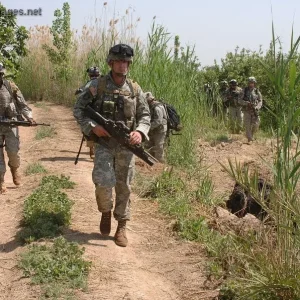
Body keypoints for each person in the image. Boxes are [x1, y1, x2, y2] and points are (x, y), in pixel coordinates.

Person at [73, 44, 150, 247]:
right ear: (111, 63)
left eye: (126, 62)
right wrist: (93, 127)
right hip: (105, 144)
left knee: (124, 186)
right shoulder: (97, 85)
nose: (123, 65)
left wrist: (140, 132)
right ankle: (106, 212)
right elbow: (79, 109)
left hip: (126, 146)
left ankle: (121, 225)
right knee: (103, 183)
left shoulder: (135, 89)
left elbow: (145, 115)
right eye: (119, 61)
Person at [0, 63, 35, 193]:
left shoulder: (10, 86)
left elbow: (22, 104)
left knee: (13, 152)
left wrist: (29, 117)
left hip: (11, 124)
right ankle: (1, 181)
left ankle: (14, 169)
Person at [75, 66, 101, 159]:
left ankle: (92, 150)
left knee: (88, 131)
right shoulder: (103, 83)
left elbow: (79, 95)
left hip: (90, 111)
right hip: (100, 111)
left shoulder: (88, 84)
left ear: (89, 75)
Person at [238, 77, 262, 144]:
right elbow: (239, 100)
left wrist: (257, 107)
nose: (251, 84)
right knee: (247, 124)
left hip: (255, 110)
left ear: (254, 83)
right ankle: (250, 139)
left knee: (257, 123)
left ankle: (251, 135)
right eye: (250, 82)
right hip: (246, 110)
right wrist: (246, 103)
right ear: (248, 83)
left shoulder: (257, 91)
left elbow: (260, 101)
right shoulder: (244, 90)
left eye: (252, 82)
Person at [145, 92, 167, 163]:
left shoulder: (157, 108)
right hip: (153, 129)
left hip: (160, 130)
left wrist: (148, 127)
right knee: (149, 146)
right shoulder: (150, 107)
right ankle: (151, 162)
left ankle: (160, 163)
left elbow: (158, 121)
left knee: (158, 146)